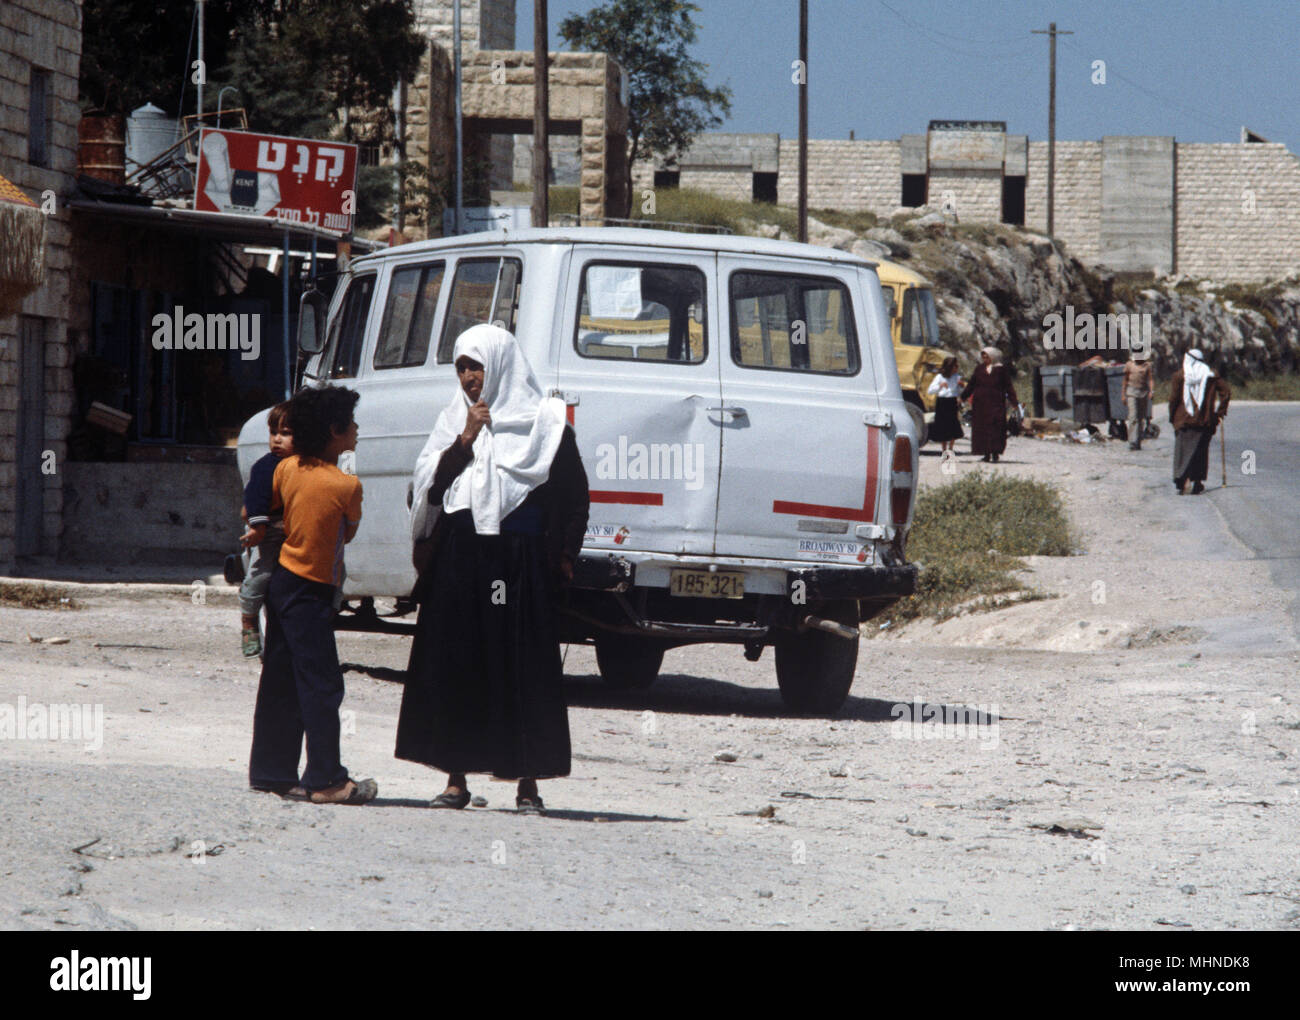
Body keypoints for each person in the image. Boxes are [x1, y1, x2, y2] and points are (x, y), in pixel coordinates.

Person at [395, 324, 589, 815]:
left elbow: (573, 499)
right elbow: (431, 489)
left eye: (475, 366)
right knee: (459, 662)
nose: (467, 377)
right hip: (463, 561)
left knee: (521, 666)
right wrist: (465, 439)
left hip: (519, 564)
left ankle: (527, 784)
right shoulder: (453, 422)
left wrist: (562, 560)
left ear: (499, 365)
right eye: (461, 367)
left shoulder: (547, 425)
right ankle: (456, 779)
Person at [248, 385, 378, 805]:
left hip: (281, 583)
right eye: (351, 424)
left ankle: (271, 771)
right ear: (335, 431)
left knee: (280, 678)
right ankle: (326, 779)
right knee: (321, 685)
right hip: (312, 589)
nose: (357, 430)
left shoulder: (286, 470)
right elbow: (349, 532)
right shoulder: (346, 485)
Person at [238, 402, 292, 657]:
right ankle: (249, 620)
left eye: (286, 433)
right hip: (268, 531)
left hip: (296, 533)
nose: (277, 440)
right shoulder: (265, 466)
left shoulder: (308, 465)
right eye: (274, 433)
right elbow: (255, 499)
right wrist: (257, 529)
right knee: (260, 574)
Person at [1168, 349, 1230, 495]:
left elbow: (1173, 399)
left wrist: (1172, 417)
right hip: (1205, 421)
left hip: (1184, 420)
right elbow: (1226, 393)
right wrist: (1219, 413)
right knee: (1200, 452)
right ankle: (1197, 481)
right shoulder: (1211, 375)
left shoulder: (1180, 375)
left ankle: (1183, 479)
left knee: (1182, 452)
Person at [961, 346, 1018, 463]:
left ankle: (995, 453)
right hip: (980, 405)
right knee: (982, 428)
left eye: (987, 356)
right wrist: (962, 398)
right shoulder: (979, 369)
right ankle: (986, 454)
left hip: (996, 404)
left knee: (997, 428)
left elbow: (1009, 387)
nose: (984, 358)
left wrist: (1014, 402)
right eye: (983, 356)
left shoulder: (1001, 370)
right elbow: (971, 385)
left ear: (993, 357)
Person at [926, 356, 964, 454]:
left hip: (952, 401)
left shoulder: (957, 377)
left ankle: (951, 448)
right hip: (942, 402)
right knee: (942, 425)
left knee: (953, 424)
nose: (956, 368)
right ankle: (944, 449)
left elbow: (959, 391)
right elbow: (930, 391)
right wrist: (940, 386)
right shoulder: (939, 377)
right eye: (954, 366)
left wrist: (961, 386)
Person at [1121, 351, 1154, 451]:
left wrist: (1151, 391)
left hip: (1143, 392)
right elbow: (1125, 380)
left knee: (1141, 418)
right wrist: (1123, 394)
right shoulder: (1129, 365)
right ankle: (1132, 441)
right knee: (1133, 417)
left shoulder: (1147, 365)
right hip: (1131, 392)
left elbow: (1150, 379)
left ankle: (1138, 440)